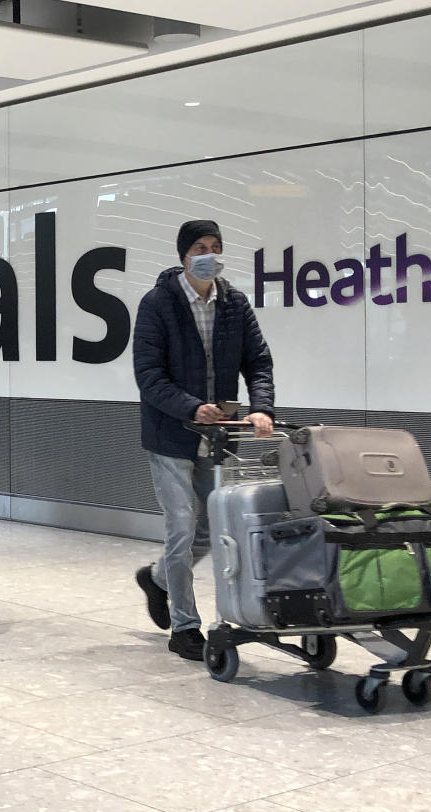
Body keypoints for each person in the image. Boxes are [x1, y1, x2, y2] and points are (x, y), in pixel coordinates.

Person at [132, 219, 275, 661]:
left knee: (212, 529)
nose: (209, 254)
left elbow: (259, 361)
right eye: (199, 247)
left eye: (215, 246)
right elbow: (149, 376)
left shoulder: (234, 303)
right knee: (181, 528)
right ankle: (185, 626)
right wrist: (190, 407)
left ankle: (156, 580)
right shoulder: (158, 303)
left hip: (219, 438)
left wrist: (262, 407)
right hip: (171, 436)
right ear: (183, 256)